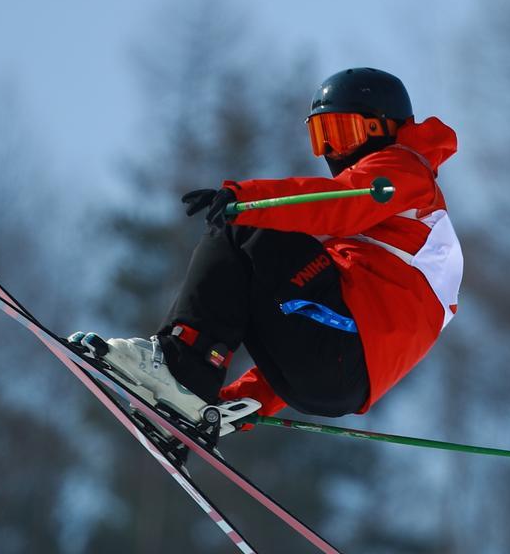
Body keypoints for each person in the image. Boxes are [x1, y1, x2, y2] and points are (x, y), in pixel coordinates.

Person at [71, 67, 462, 436]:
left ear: (383, 128)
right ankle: (188, 387)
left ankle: (179, 366)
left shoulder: (406, 169)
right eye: (322, 135)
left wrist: (246, 201)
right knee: (256, 264)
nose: (332, 151)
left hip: (342, 350)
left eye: (345, 133)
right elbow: (316, 334)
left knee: (247, 228)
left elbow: (338, 205)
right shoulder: (395, 253)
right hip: (339, 378)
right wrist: (237, 404)